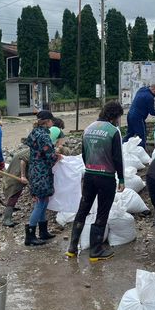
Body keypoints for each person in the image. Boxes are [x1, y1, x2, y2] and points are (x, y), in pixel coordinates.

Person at [66, 101, 125, 261]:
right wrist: (121, 178)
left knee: (83, 209)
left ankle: (72, 248)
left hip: (89, 175)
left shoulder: (88, 128)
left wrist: (90, 168)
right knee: (102, 212)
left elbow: (84, 154)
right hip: (106, 178)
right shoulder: (113, 131)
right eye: (119, 117)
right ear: (114, 116)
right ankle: (95, 250)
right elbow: (117, 158)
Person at [24, 110, 63, 246]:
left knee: (43, 200)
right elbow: (49, 155)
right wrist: (57, 156)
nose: (52, 122)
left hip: (34, 171)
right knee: (41, 202)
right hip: (42, 172)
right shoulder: (44, 136)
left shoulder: (34, 133)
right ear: (47, 121)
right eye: (51, 120)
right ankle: (30, 235)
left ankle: (43, 231)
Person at [123, 84, 155, 149]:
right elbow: (152, 112)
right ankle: (142, 152)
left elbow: (152, 86)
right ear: (153, 89)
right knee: (142, 137)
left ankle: (121, 147)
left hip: (130, 115)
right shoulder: (149, 97)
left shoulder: (142, 90)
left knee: (130, 134)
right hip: (138, 118)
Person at [1, 143, 30, 227]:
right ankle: (6, 219)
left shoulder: (29, 151)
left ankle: (7, 217)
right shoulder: (30, 153)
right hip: (15, 175)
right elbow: (23, 162)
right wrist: (24, 176)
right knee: (13, 195)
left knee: (13, 195)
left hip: (14, 173)